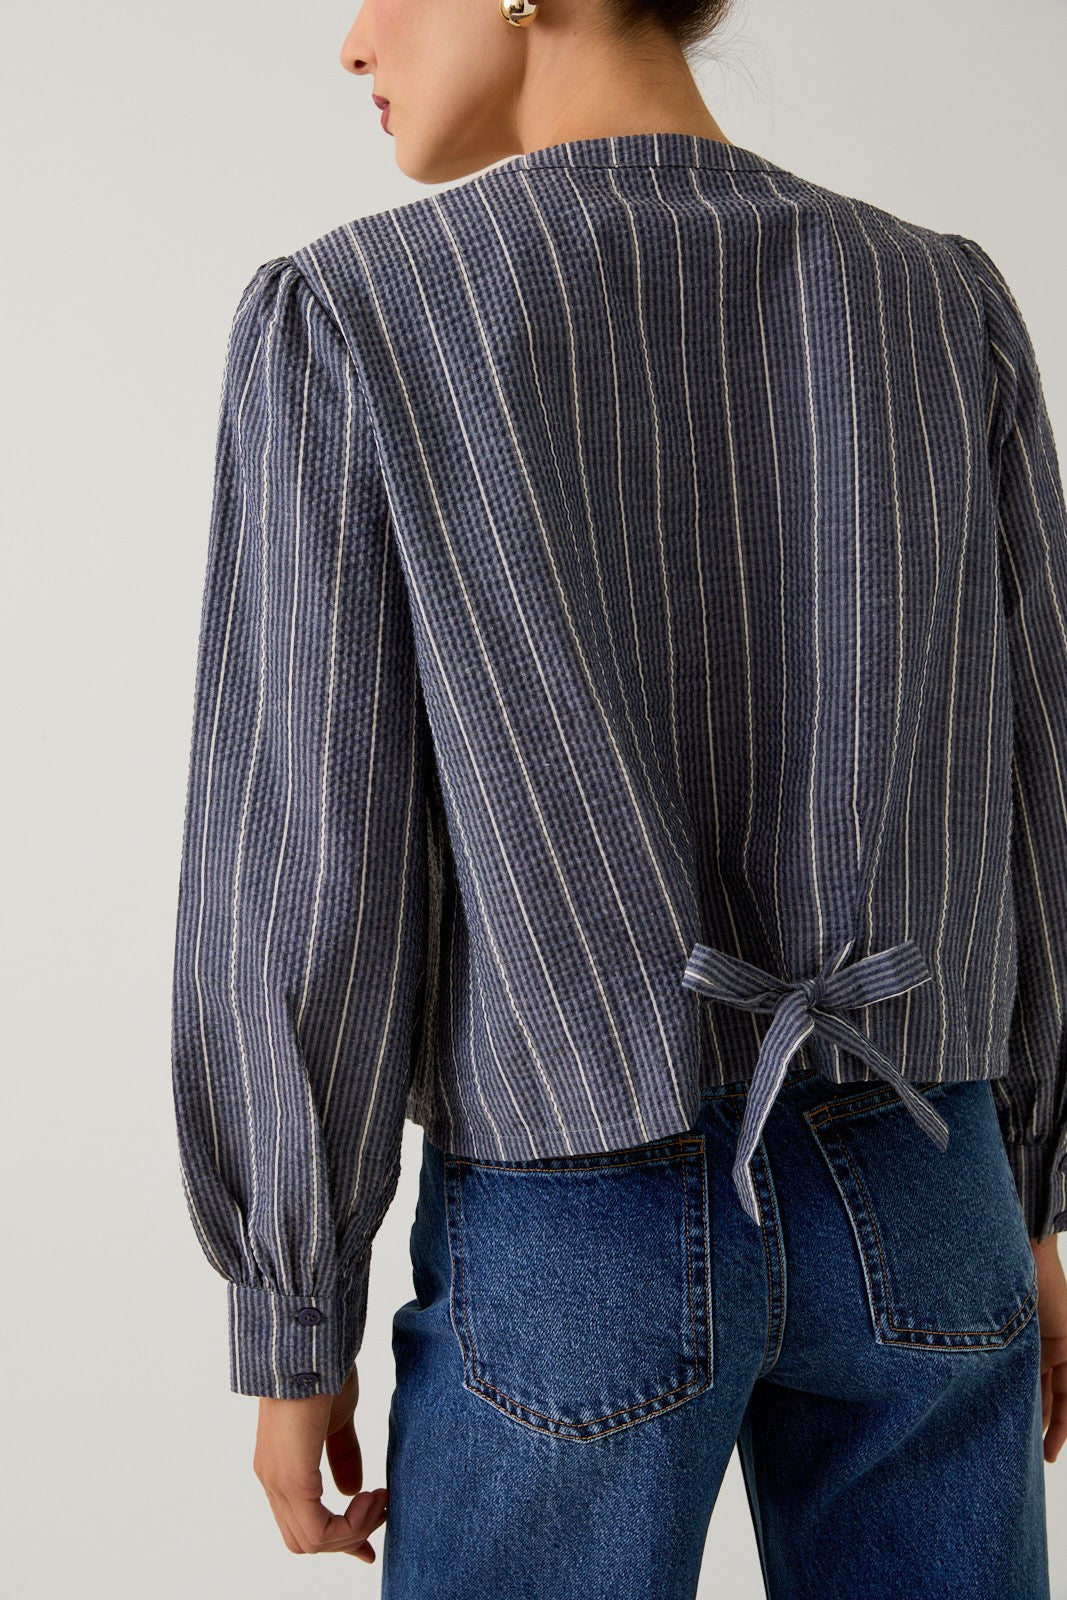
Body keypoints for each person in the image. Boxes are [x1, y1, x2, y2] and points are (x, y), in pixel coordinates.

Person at [169, 0, 1067, 1589]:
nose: (352, 41)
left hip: (575, 1228)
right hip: (936, 1189)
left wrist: (291, 1311)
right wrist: (1040, 1189)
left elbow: (310, 862)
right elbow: (1041, 793)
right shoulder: (944, 303)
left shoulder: (361, 316)